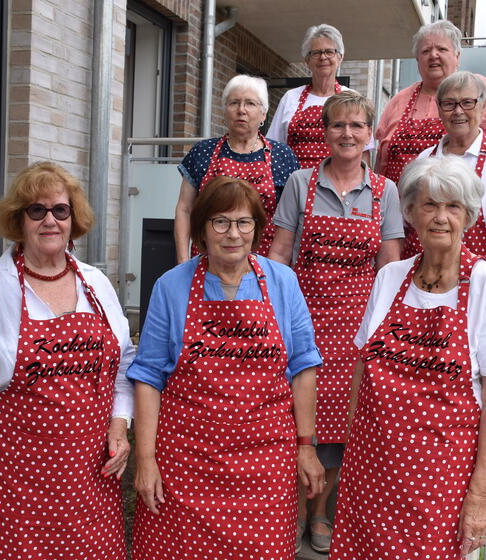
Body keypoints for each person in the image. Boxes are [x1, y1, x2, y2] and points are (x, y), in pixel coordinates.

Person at [330, 156, 486, 560]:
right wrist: (351, 447)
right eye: (430, 204)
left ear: (469, 216)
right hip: (370, 471)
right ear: (411, 212)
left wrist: (480, 498)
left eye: (452, 206)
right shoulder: (389, 277)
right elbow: (362, 369)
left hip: (438, 483)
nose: (440, 217)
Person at [0, 162, 135, 560]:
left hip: (91, 478)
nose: (50, 220)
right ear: (19, 219)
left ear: (73, 218)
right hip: (16, 484)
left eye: (60, 210)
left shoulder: (97, 284)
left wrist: (119, 425)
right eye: (37, 210)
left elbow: (122, 367)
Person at [131, 176, 325, 559]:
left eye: (243, 222)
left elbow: (303, 367)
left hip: (265, 462)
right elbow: (149, 377)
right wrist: (146, 459)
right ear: (202, 228)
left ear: (256, 228)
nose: (233, 233)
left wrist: (306, 447)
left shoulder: (283, 282)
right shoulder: (171, 286)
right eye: (220, 221)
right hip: (186, 462)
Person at [268, 90, 403, 553]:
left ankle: (321, 512)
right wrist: (275, 312)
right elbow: (279, 254)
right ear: (325, 133)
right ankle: (291, 510)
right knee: (293, 417)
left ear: (369, 135)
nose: (347, 133)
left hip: (355, 327)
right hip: (302, 318)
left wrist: (381, 331)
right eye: (338, 125)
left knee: (340, 425)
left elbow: (389, 268)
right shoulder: (300, 183)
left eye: (356, 125)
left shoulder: (386, 191)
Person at [375, 19, 486, 187]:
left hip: (456, 196)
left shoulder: (475, 87)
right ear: (417, 60)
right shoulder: (399, 100)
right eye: (426, 51)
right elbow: (382, 157)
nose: (433, 55)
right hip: (397, 198)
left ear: (457, 56)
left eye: (442, 49)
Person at [406, 71, 486, 266]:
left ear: (483, 105)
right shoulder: (425, 159)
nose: (458, 111)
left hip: (478, 277)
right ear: (439, 109)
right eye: (449, 104)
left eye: (467, 103)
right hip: (426, 272)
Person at [175, 74, 300, 260]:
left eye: (250, 103)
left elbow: (291, 220)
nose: (241, 110)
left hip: (264, 262)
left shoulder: (282, 155)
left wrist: (277, 268)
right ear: (224, 110)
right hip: (208, 260)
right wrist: (183, 261)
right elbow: (184, 209)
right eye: (234, 103)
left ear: (263, 113)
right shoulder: (203, 151)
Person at [266, 23, 374, 169]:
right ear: (307, 61)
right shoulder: (290, 98)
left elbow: (363, 152)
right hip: (294, 180)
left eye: (329, 52)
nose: (323, 57)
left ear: (340, 57)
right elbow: (272, 147)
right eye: (316, 53)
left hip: (339, 181)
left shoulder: (352, 98)